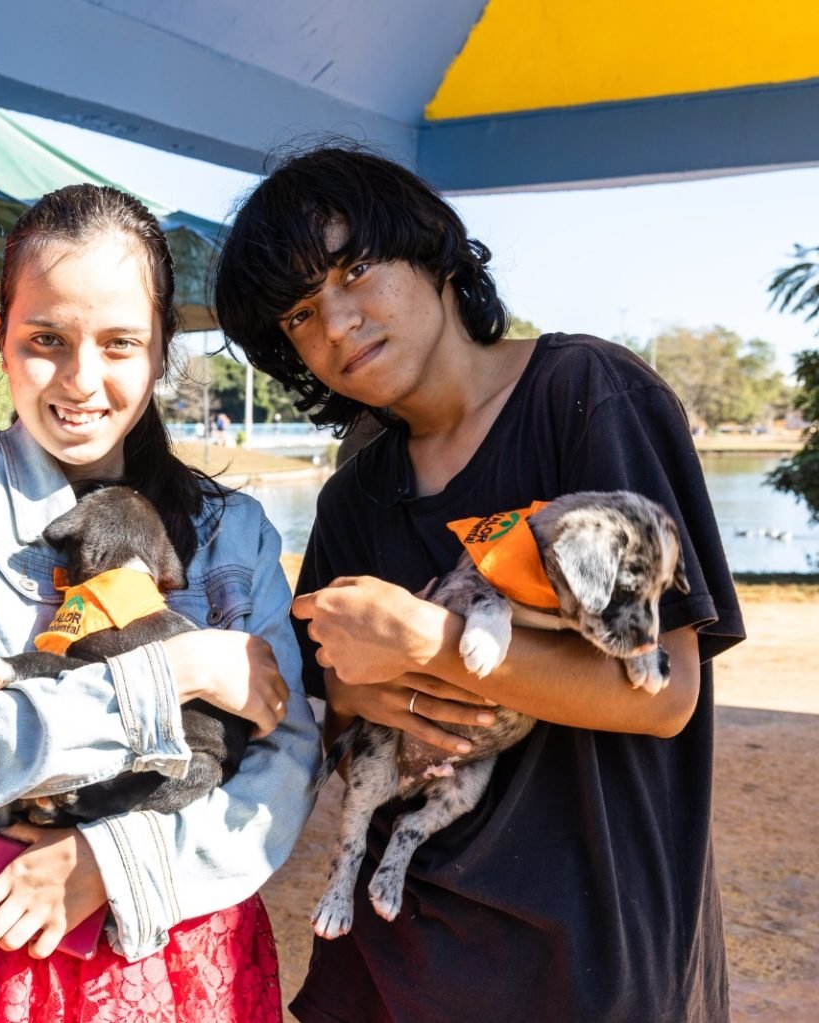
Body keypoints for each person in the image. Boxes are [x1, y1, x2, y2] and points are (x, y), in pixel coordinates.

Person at [212, 144, 743, 1023]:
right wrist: (350, 680)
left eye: (358, 269)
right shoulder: (355, 488)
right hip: (394, 955)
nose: (338, 322)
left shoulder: (587, 394)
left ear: (435, 251)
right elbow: (329, 695)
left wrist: (434, 646)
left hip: (588, 958)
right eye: (303, 313)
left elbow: (664, 692)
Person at [0, 183, 318, 1023]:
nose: (82, 379)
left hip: (178, 941)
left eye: (118, 343)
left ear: (159, 351)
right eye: (47, 339)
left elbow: (285, 764)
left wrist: (113, 859)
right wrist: (180, 667)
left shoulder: (231, 532)